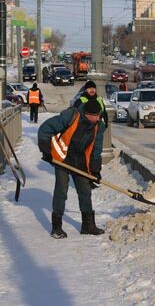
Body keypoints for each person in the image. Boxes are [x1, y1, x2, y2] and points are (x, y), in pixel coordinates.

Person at [38, 100, 106, 239]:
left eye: (99, 115)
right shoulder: (70, 117)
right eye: (95, 116)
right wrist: (46, 150)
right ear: (87, 114)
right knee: (61, 190)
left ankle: (88, 225)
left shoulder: (99, 126)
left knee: (85, 191)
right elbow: (45, 128)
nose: (98, 119)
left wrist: (95, 170)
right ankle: (56, 227)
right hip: (63, 158)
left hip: (79, 160)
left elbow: (96, 149)